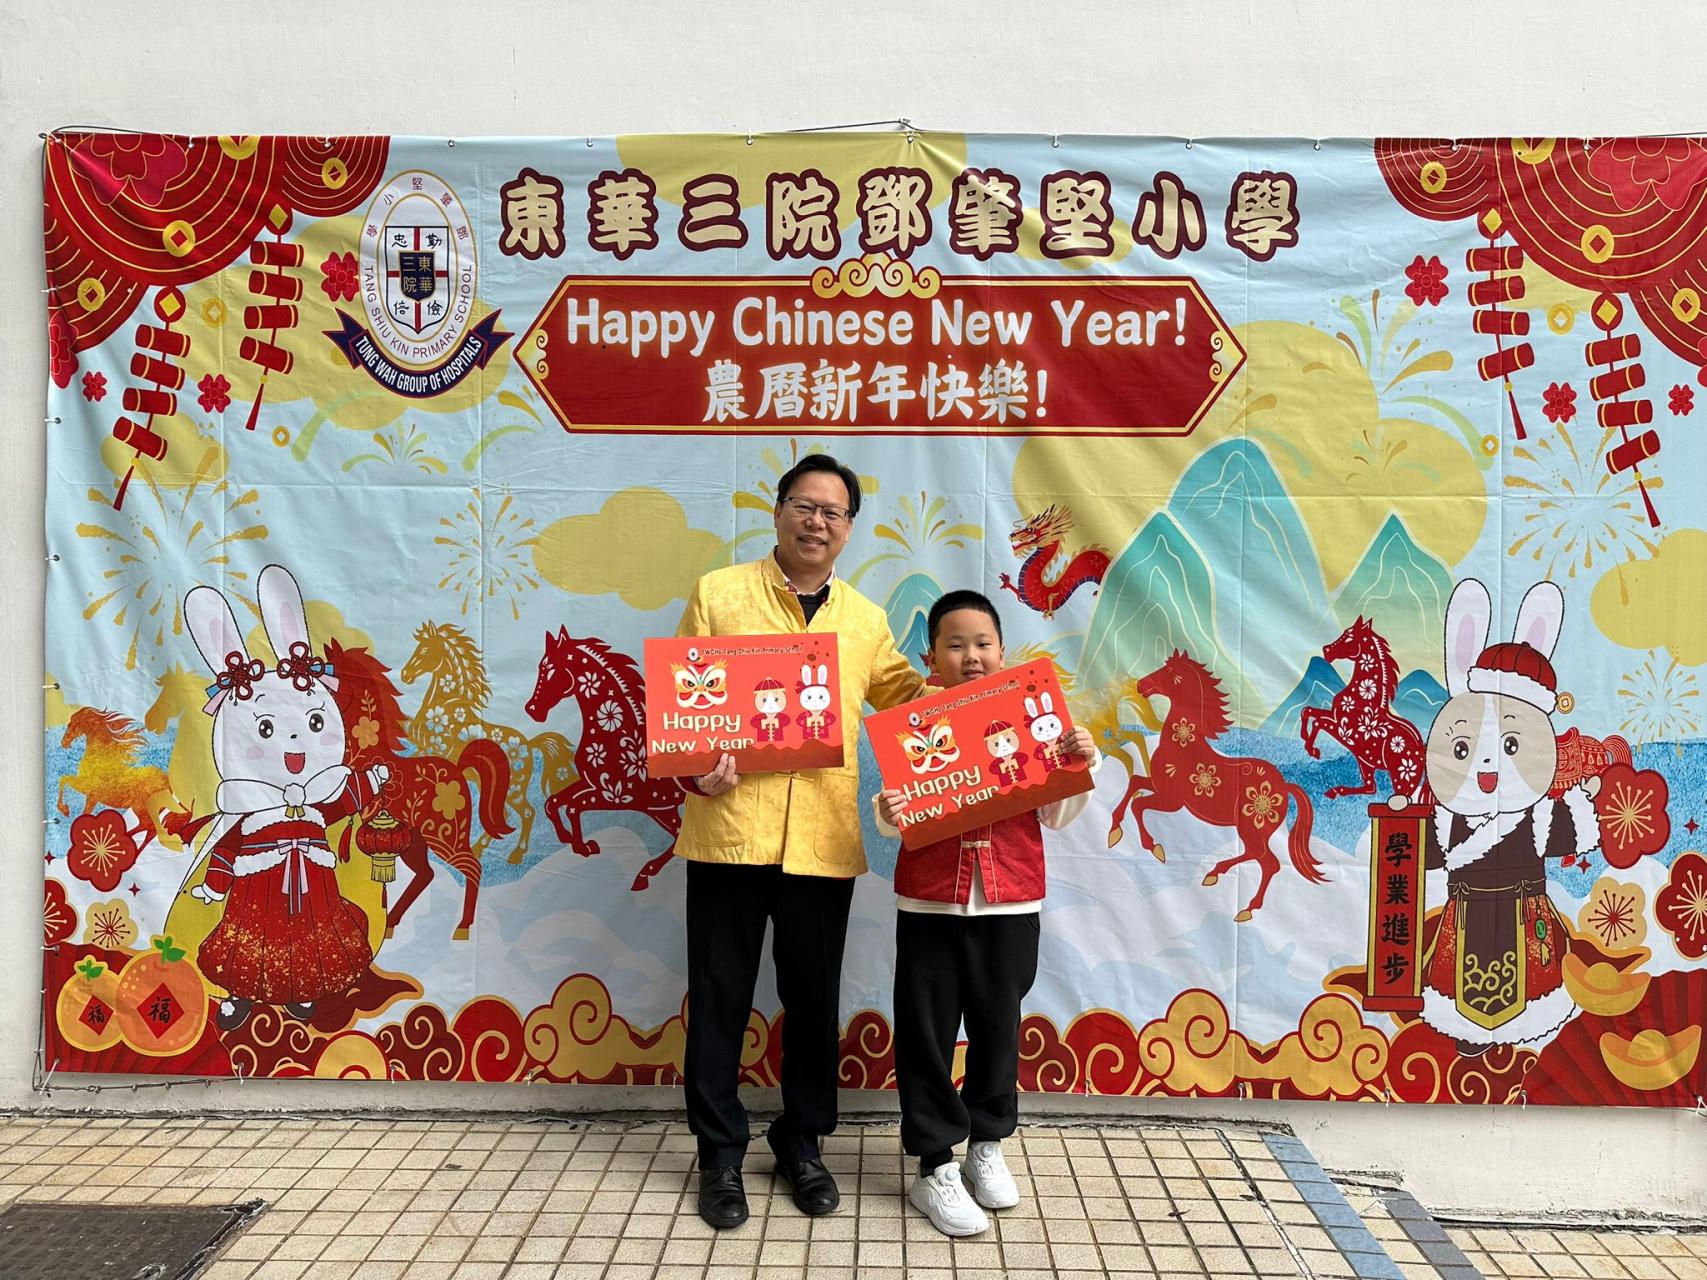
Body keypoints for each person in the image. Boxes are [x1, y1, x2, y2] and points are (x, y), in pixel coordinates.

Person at [676, 453, 929, 1229]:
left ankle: (802, 1143)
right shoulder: (718, 594)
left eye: (833, 512)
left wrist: (997, 697)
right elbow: (682, 709)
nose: (816, 522)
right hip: (728, 833)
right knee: (718, 999)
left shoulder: (865, 620)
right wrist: (696, 771)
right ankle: (719, 1154)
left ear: (848, 529)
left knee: (813, 1003)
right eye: (804, 505)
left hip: (820, 839)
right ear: (778, 510)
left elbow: (913, 702)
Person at [874, 589, 1102, 1237]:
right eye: (954, 644)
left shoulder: (1034, 719)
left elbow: (1056, 814)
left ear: (1002, 652)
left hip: (1012, 897)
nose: (970, 655)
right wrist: (887, 813)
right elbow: (896, 814)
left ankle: (986, 1145)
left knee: (998, 1026)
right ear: (930, 657)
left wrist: (1078, 764)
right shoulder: (914, 723)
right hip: (929, 901)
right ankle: (933, 1167)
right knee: (926, 1033)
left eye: (982, 643)